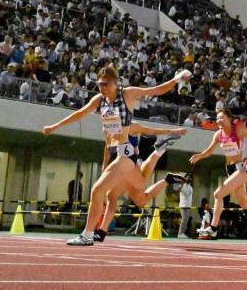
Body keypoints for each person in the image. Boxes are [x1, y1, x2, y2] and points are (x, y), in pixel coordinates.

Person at [41, 65, 191, 245]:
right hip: (116, 155)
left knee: (97, 191)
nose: (102, 88)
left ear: (116, 83)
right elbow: (81, 114)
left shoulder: (127, 94)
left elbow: (156, 91)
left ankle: (88, 235)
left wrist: (177, 79)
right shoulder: (100, 100)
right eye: (99, 84)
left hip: (125, 155)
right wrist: (55, 126)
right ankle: (161, 164)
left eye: (106, 84)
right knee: (136, 197)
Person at [190, 108, 247, 239]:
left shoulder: (239, 129)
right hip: (230, 170)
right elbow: (209, 151)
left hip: (240, 170)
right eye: (217, 118)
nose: (219, 120)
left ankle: (213, 228)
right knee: (245, 203)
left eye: (222, 118)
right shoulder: (218, 134)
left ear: (229, 118)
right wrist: (199, 156)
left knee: (218, 194)